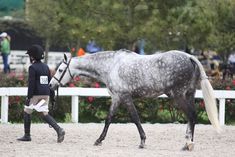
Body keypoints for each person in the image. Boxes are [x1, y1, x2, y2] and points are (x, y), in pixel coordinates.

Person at [17, 44, 65, 143]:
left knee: (27, 111)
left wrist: (28, 97)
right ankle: (59, 130)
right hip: (45, 94)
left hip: (36, 95)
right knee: (43, 113)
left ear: (32, 56)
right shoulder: (46, 67)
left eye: (30, 55)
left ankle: (27, 135)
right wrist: (52, 96)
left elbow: (31, 84)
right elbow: (49, 82)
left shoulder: (32, 68)